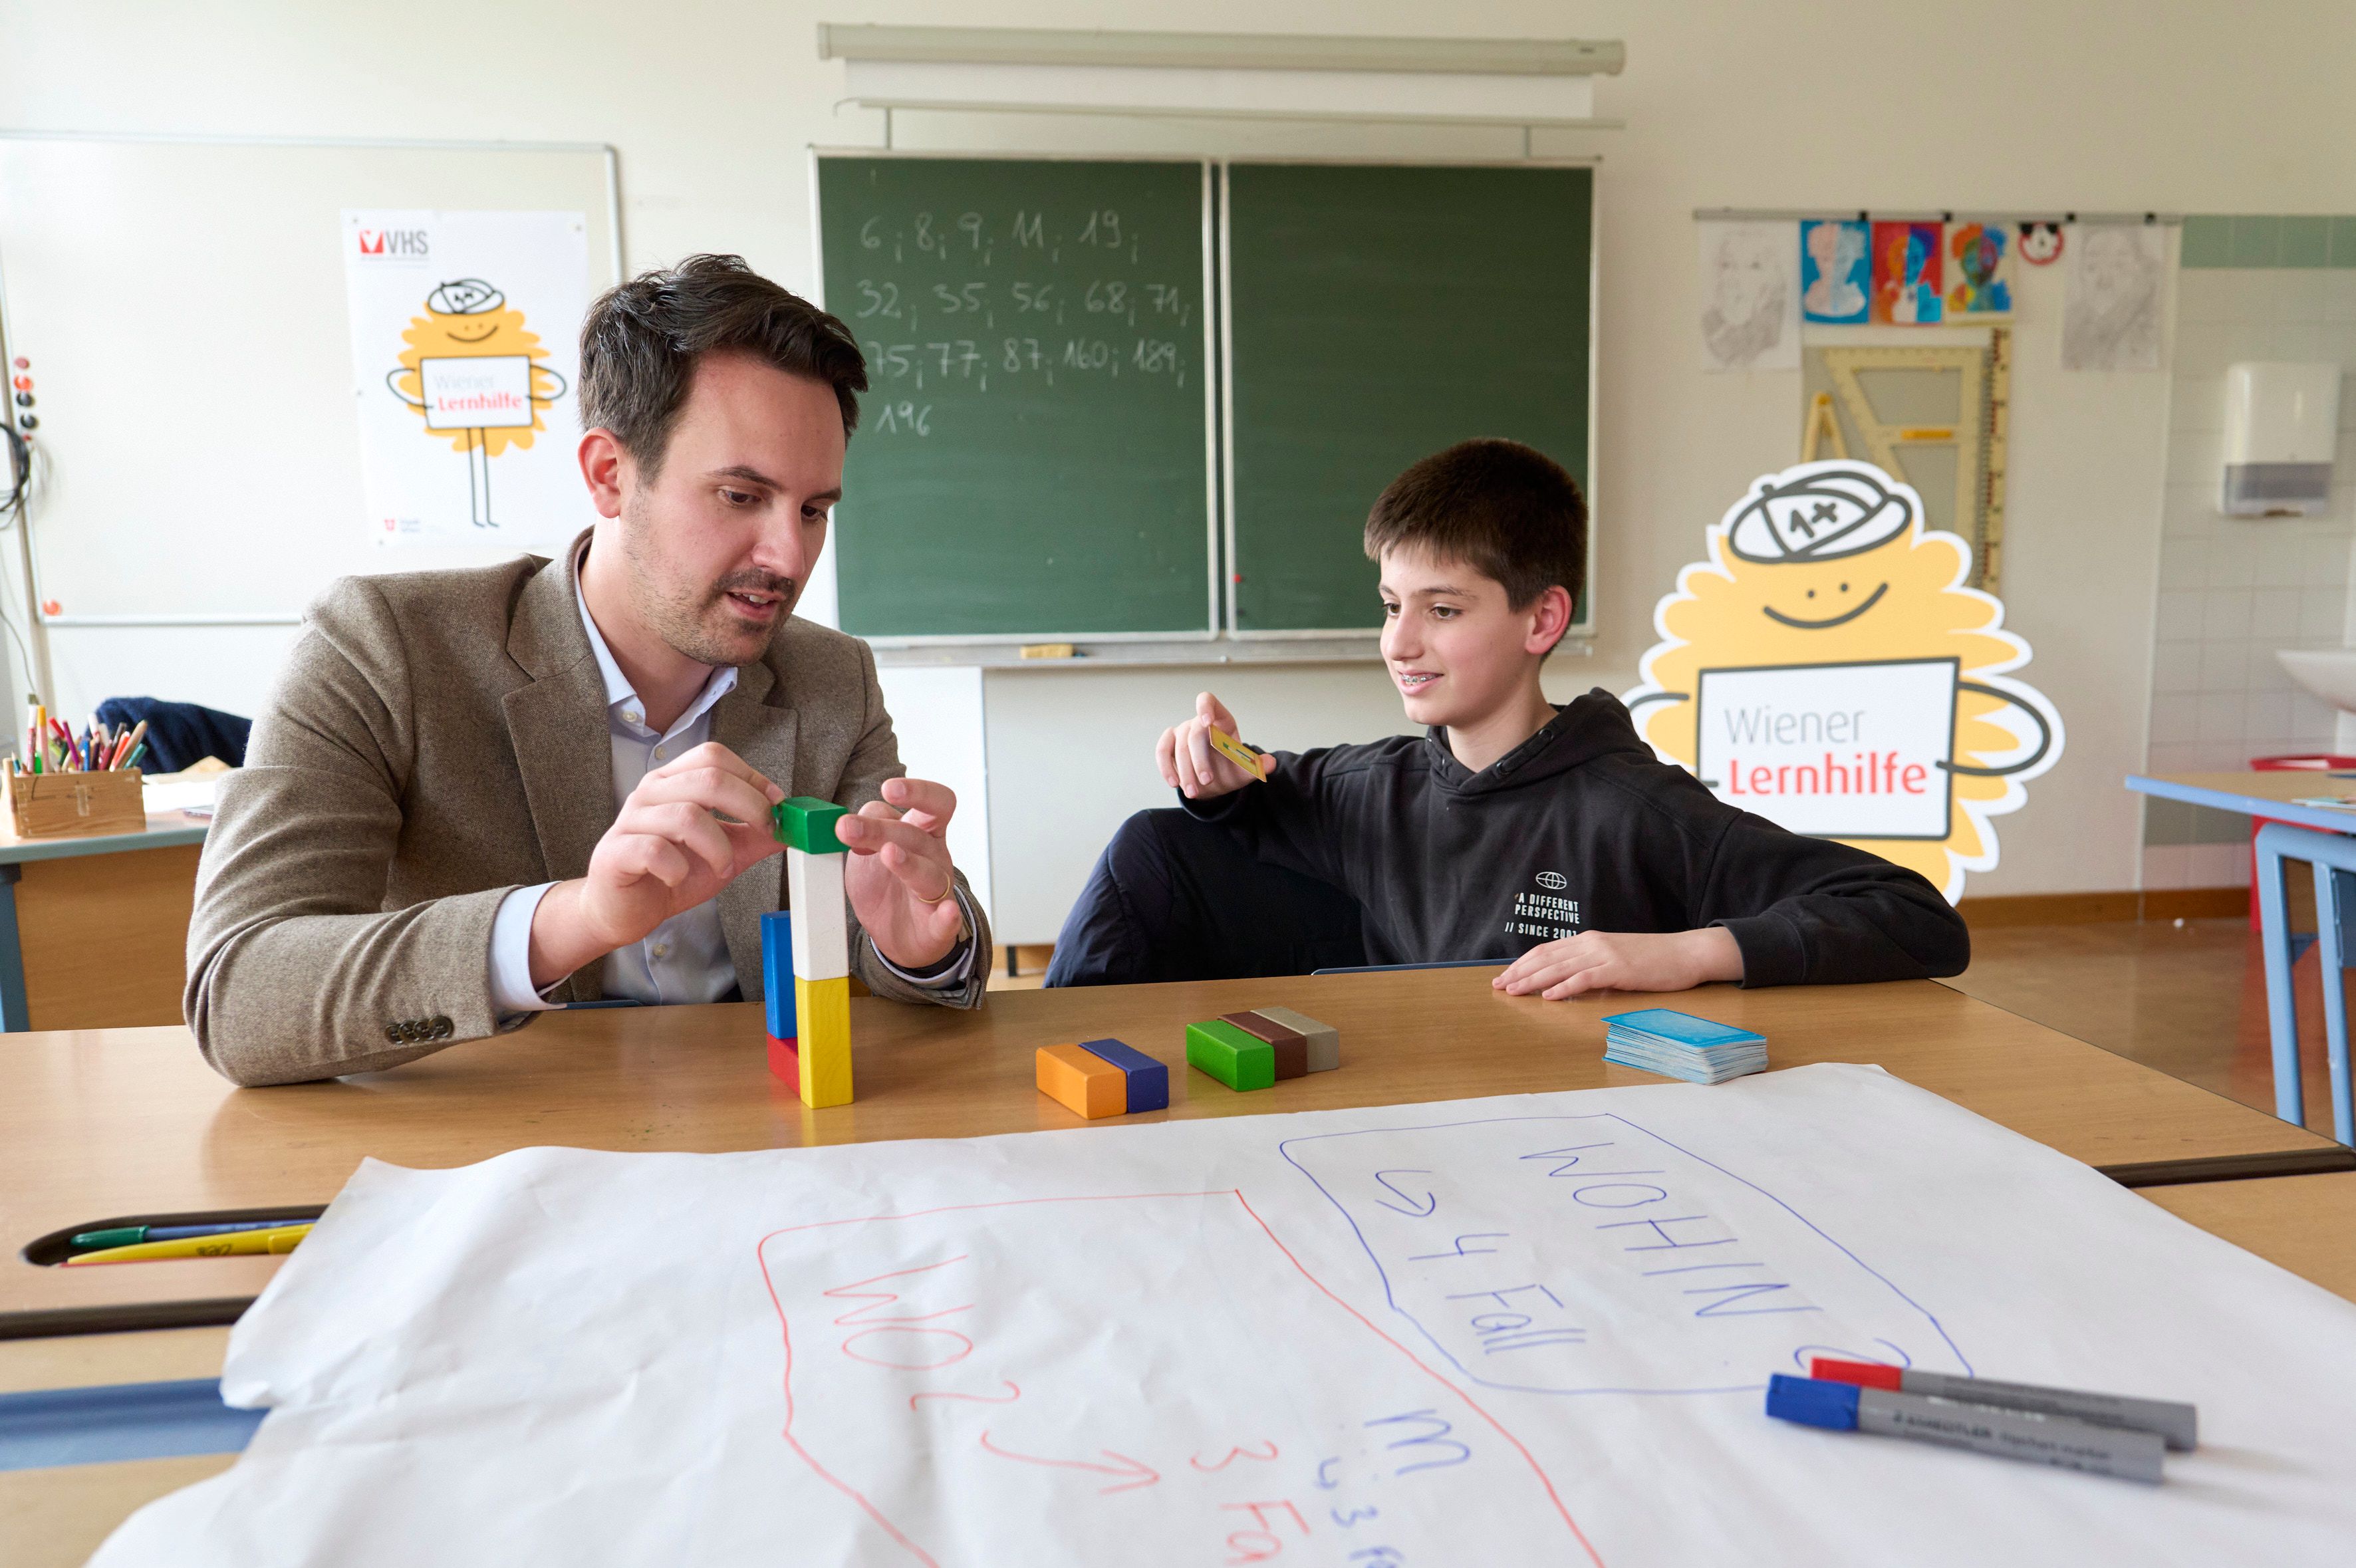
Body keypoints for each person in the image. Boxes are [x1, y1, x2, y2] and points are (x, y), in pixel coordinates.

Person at [188, 255, 988, 1086]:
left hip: (764, 1128)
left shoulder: (833, 677)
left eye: (814, 510)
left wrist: (920, 950)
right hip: (491, 1136)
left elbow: (910, 929)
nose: (790, 556)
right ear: (610, 475)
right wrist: (576, 919)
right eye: (741, 497)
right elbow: (238, 995)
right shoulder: (383, 644)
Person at [1048, 438, 1966, 995]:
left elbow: (1912, 914)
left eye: (1442, 610)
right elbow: (1258, 788)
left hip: (1574, 1142)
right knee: (1149, 844)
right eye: (1389, 605)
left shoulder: (1635, 809)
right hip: (1410, 1115)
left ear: (1542, 620)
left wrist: (1682, 954)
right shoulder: (1375, 785)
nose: (1399, 642)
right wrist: (1215, 769)